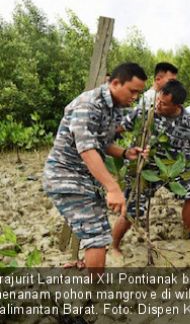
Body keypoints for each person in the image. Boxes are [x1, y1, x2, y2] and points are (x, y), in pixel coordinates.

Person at [43, 63, 148, 271]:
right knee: (98, 238)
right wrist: (113, 188)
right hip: (67, 177)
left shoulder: (113, 109)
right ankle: (94, 295)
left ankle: (88, 274)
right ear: (116, 83)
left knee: (97, 231)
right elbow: (87, 149)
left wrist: (126, 153)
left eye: (139, 92)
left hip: (87, 178)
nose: (135, 97)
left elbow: (103, 144)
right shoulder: (87, 104)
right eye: (133, 91)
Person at [114, 80, 190, 249]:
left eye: (165, 104)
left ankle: (187, 232)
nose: (159, 105)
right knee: (133, 211)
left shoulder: (189, 124)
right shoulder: (145, 111)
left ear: (177, 105)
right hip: (143, 167)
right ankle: (114, 246)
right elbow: (120, 128)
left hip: (172, 168)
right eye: (159, 99)